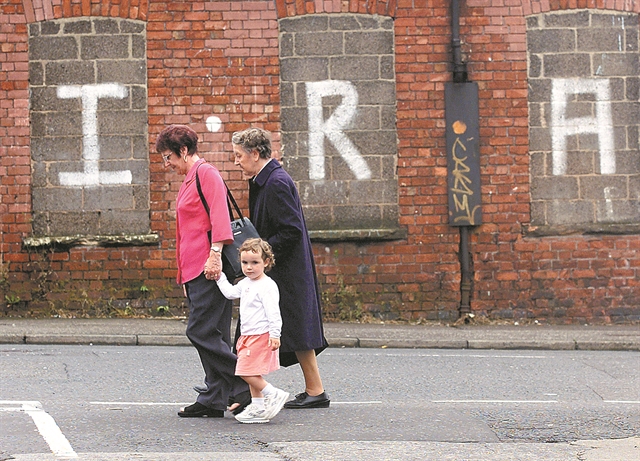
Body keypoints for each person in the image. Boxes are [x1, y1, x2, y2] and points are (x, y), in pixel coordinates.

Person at [155, 124, 251, 418]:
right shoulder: (188, 178)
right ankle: (213, 397)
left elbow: (220, 218)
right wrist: (183, 274)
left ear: (184, 151)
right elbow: (187, 231)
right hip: (194, 270)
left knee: (199, 331)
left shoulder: (206, 174)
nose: (166, 164)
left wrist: (214, 257)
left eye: (168, 157)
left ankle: (245, 385)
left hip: (208, 268)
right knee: (215, 334)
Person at [231, 127, 330, 409]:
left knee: (275, 328)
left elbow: (291, 230)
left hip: (285, 269)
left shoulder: (275, 182)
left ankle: (248, 395)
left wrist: (260, 257)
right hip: (282, 267)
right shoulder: (266, 179)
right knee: (293, 329)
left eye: (239, 155)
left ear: (254, 153)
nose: (236, 161)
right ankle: (314, 390)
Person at [215, 238, 289, 423]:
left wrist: (275, 335)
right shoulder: (246, 283)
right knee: (253, 372)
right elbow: (230, 293)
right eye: (245, 262)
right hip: (247, 336)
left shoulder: (267, 286)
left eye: (255, 263)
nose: (249, 267)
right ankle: (258, 405)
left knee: (244, 371)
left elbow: (274, 313)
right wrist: (219, 277)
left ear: (266, 262)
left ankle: (273, 393)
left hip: (260, 335)